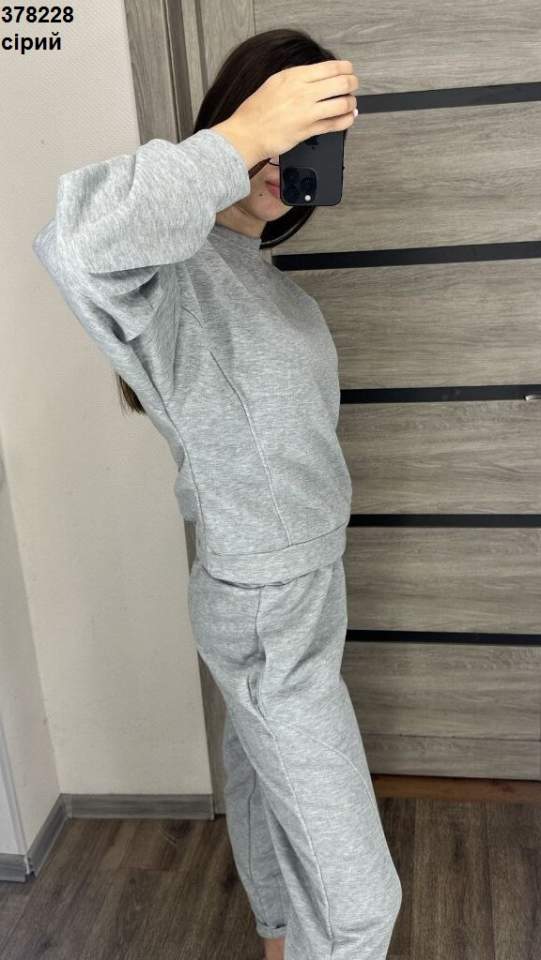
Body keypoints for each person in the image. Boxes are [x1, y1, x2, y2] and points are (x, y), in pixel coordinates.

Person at [32, 26, 402, 960]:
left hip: (305, 583)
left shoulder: (276, 291)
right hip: (267, 597)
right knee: (360, 901)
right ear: (239, 119)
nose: (283, 162)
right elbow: (73, 241)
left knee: (268, 789)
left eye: (309, 142)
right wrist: (239, 138)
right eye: (276, 130)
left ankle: (277, 940)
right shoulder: (172, 268)